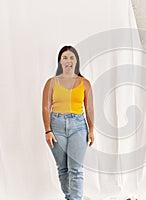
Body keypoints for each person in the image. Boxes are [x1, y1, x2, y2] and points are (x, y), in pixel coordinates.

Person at [42, 46, 94, 200]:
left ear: (76, 61)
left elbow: (89, 108)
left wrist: (91, 129)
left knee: (76, 169)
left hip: (78, 126)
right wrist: (47, 130)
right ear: (60, 61)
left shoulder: (85, 83)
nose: (68, 61)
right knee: (63, 168)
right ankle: (69, 197)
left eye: (72, 57)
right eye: (65, 57)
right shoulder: (51, 82)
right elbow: (45, 107)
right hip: (56, 126)